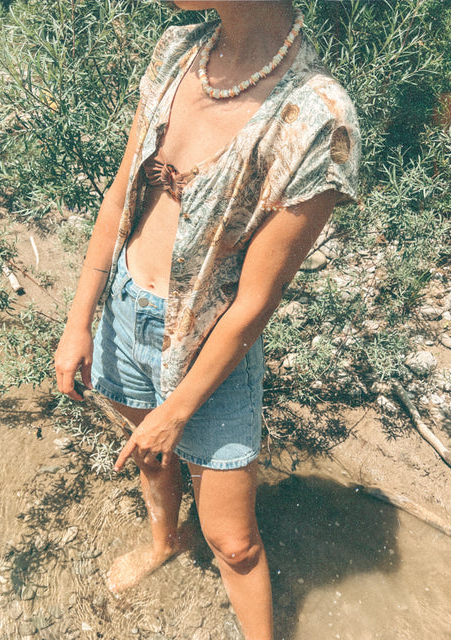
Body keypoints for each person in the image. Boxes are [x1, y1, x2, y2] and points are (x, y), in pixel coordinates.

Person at [54, 1, 360, 638]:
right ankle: (165, 540)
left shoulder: (316, 117)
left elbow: (254, 303)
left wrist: (180, 407)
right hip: (122, 310)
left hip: (208, 351)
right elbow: (121, 197)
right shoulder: (178, 48)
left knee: (234, 542)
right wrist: (79, 318)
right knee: (150, 460)